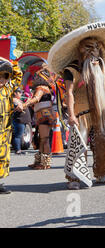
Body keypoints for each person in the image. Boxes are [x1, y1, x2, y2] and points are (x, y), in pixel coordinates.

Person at [48, 21, 105, 190]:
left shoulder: (100, 67)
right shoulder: (72, 69)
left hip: (100, 111)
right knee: (79, 143)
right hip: (80, 112)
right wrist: (72, 115)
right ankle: (73, 177)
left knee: (102, 141)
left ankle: (101, 173)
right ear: (81, 50)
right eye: (89, 48)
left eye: (97, 48)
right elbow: (68, 93)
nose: (94, 52)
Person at [23, 66, 58, 170]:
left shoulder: (41, 88)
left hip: (44, 116)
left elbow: (37, 99)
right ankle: (39, 161)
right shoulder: (47, 88)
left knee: (44, 139)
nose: (34, 79)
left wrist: (26, 104)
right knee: (41, 139)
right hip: (43, 115)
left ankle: (45, 163)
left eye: (36, 77)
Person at [0, 57, 23, 194]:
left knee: (2, 157)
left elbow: (18, 75)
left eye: (4, 76)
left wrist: (10, 61)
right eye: (0, 76)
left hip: (5, 130)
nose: (2, 79)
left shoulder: (8, 88)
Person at [12, 89, 32, 155]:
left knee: (20, 135)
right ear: (15, 93)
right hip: (19, 120)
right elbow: (20, 108)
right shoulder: (14, 100)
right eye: (19, 92)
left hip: (23, 120)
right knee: (18, 135)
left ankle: (19, 149)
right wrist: (28, 102)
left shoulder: (19, 100)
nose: (21, 94)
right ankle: (17, 150)